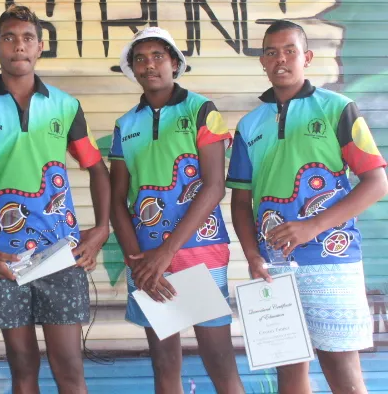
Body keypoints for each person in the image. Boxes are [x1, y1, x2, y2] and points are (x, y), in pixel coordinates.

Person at [0, 5, 111, 394]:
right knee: (22, 367)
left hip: (59, 253)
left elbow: (96, 168)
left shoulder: (64, 106)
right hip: (2, 257)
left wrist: (101, 229)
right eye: (9, 38)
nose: (18, 46)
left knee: (69, 367)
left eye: (27, 38)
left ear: (40, 47)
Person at [227, 20, 388, 394]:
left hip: (333, 261)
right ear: (262, 62)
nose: (280, 59)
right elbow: (239, 201)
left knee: (343, 373)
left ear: (307, 58)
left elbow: (377, 181)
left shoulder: (337, 108)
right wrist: (253, 256)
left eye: (289, 51)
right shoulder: (249, 125)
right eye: (271, 52)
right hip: (275, 267)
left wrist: (312, 227)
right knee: (290, 375)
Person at [108, 27, 244, 394]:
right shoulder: (126, 124)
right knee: (164, 362)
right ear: (132, 69)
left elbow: (215, 187)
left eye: (157, 56)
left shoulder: (201, 109)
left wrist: (165, 253)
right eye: (140, 58)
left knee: (219, 360)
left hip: (197, 252)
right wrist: (136, 260)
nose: (149, 65)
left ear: (174, 64)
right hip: (146, 261)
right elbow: (116, 199)